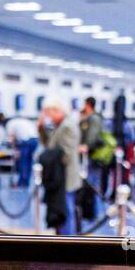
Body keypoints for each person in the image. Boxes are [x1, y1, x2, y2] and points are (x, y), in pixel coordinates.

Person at [42, 97, 81, 235]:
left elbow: (66, 154)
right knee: (61, 210)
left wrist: (49, 159)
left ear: (57, 111)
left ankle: (68, 241)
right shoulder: (59, 125)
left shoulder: (67, 126)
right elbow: (49, 144)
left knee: (66, 211)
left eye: (48, 112)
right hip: (60, 177)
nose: (47, 116)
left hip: (66, 177)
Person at [79, 96, 107, 197]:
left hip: (94, 153)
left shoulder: (94, 118)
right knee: (93, 181)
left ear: (87, 105)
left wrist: (86, 146)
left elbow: (92, 136)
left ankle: (96, 209)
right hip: (93, 153)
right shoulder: (92, 117)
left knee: (93, 183)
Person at [7, 113, 39, 188]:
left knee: (23, 162)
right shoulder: (25, 121)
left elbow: (11, 138)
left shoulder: (10, 123)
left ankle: (21, 183)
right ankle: (26, 182)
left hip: (26, 141)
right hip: (35, 141)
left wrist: (14, 150)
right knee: (29, 162)